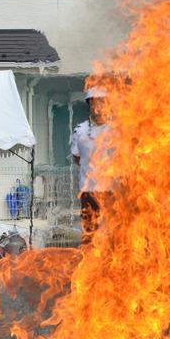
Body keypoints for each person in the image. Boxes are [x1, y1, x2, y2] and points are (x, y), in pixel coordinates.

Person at [70, 87, 109, 244]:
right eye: (93, 103)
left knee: (112, 232)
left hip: (111, 191)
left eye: (101, 103)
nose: (97, 107)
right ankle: (88, 265)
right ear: (89, 105)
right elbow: (76, 157)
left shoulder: (117, 130)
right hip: (89, 191)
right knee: (89, 232)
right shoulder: (80, 130)